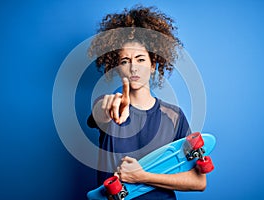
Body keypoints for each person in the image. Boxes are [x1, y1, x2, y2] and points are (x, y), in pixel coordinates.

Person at [87, 5, 206, 199]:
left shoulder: (174, 116)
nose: (133, 67)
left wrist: (142, 176)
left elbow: (199, 182)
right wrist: (107, 111)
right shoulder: (110, 105)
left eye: (141, 59)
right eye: (125, 61)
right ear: (117, 68)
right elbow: (100, 114)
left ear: (153, 65)